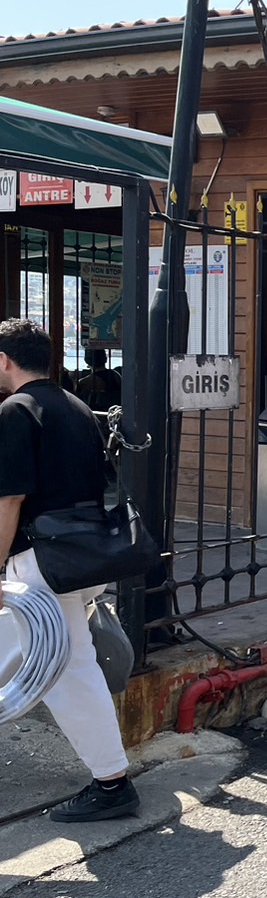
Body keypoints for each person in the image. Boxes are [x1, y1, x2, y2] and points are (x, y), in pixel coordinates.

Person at [0, 319, 139, 822]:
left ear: (5, 360)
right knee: (34, 659)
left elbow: (11, 498)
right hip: (81, 559)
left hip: (43, 565)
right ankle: (111, 778)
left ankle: (112, 783)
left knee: (66, 672)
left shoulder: (16, 411)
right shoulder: (76, 407)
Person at [73, 346, 123, 413]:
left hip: (96, 415)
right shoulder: (116, 375)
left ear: (87, 360)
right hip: (114, 413)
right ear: (105, 358)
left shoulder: (84, 382)